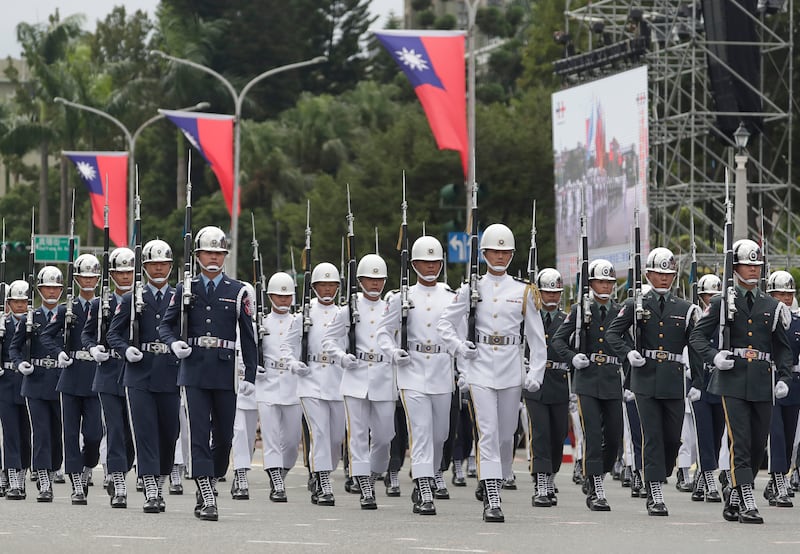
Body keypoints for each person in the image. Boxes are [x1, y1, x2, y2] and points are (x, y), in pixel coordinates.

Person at [438, 224, 547, 523]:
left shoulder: (523, 291)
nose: (500, 256)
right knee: (486, 431)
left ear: (512, 254)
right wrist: (461, 348)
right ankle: (493, 496)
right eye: (494, 251)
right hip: (480, 368)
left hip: (511, 368)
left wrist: (536, 371)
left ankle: (494, 479)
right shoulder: (471, 288)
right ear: (484, 253)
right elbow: (445, 324)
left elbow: (537, 338)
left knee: (506, 433)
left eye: (505, 251)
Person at [690, 239, 793, 524]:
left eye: (756, 265)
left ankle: (733, 496)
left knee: (759, 442)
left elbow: (782, 346)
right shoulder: (722, 301)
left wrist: (784, 376)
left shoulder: (771, 305)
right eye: (747, 265)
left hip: (762, 379)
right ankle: (748, 498)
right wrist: (714, 356)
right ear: (734, 267)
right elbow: (697, 337)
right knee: (742, 439)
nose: (752, 270)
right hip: (732, 378)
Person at [159, 226, 257, 521]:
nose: (213, 257)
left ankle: (210, 481)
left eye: (219, 252)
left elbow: (248, 335)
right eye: (208, 252)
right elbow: (165, 325)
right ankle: (206, 493)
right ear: (198, 255)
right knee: (199, 434)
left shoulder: (238, 290)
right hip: (194, 369)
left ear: (224, 256)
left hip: (225, 370)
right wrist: (174, 343)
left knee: (225, 436)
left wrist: (250, 375)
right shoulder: (184, 288)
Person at [606, 247, 702, 516]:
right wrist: (628, 353)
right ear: (648, 274)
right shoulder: (634, 304)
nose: (664, 278)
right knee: (652, 436)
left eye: (669, 273)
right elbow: (613, 335)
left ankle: (662, 471)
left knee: (673, 438)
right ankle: (655, 491)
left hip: (672, 379)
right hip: (645, 378)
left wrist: (697, 380)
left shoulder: (684, 309)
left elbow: (694, 346)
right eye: (659, 273)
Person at [377, 236, 456, 516]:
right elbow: (383, 332)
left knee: (440, 434)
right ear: (413, 264)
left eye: (435, 261)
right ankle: (424, 488)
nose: (431, 266)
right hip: (412, 370)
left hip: (442, 369)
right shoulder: (402, 297)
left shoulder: (451, 296)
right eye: (425, 261)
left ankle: (430, 472)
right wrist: (393, 352)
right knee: (421, 431)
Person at [107, 239, 181, 513]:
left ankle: (159, 481)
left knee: (169, 433)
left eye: (163, 264)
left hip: (171, 372)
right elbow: (113, 334)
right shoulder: (131, 298)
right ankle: (151, 489)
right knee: (145, 432)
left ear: (171, 266)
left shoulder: (179, 297)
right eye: (153, 264)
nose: (159, 269)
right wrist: (127, 350)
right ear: (145, 267)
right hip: (139, 374)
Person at [551, 258, 625, 512]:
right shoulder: (580, 310)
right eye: (601, 281)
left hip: (612, 379)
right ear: (591, 282)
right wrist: (573, 357)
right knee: (593, 435)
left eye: (609, 282)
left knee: (614, 437)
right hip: (587, 380)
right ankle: (596, 486)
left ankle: (597, 474)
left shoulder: (620, 311)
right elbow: (558, 341)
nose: (605, 286)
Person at [323, 254, 396, 509]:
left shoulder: (392, 305)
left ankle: (374, 473)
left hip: (384, 375)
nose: (375, 284)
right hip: (356, 377)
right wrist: (342, 358)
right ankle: (365, 485)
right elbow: (329, 341)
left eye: (379, 279)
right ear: (360, 280)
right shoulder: (349, 309)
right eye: (369, 279)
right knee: (357, 435)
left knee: (385, 435)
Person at [281, 262, 345, 507]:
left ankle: (320, 472)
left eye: (331, 285)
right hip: (311, 380)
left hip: (338, 380)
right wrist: (292, 363)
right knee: (319, 433)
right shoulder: (303, 315)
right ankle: (324, 481)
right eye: (322, 285)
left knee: (336, 437)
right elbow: (286, 346)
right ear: (314, 286)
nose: (327, 289)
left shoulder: (344, 313)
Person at [41, 254, 103, 505]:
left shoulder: (104, 306)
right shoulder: (68, 308)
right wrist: (59, 352)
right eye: (83, 277)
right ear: (76, 279)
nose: (88, 281)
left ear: (98, 279)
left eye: (92, 277)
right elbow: (47, 335)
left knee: (94, 434)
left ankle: (88, 466)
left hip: (96, 376)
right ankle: (76, 481)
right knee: (70, 434)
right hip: (71, 374)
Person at [82, 248, 137, 508]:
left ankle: (121, 471)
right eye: (120, 272)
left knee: (131, 434)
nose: (125, 277)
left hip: (136, 373)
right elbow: (87, 334)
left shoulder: (142, 301)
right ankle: (118, 481)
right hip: (108, 372)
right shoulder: (100, 304)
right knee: (114, 429)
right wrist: (94, 349)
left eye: (129, 272)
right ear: (112, 274)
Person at [10, 267, 63, 502]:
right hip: (36, 381)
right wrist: (20, 363)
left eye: (55, 287)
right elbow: (14, 347)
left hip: (61, 381)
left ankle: (53, 469)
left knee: (57, 433)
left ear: (61, 290)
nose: (51, 291)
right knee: (40, 433)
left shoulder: (66, 315)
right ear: (40, 290)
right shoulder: (31, 318)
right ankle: (43, 481)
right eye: (47, 288)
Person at [525, 268, 569, 508]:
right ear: (539, 293)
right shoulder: (530, 317)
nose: (552, 296)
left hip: (560, 381)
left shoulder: (567, 319)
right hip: (536, 383)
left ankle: (551, 475)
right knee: (540, 433)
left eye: (556, 292)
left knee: (558, 434)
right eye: (547, 292)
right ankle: (541, 482)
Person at [257, 272, 303, 503]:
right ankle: (276, 482)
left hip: (293, 385)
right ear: (270, 297)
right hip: (268, 384)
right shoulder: (262, 323)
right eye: (279, 296)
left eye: (287, 296)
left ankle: (281, 473)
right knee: (271, 436)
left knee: (293, 441)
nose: (284, 300)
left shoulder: (300, 321)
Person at [763, 270, 800, 508]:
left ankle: (776, 479)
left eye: (789, 294)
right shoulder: (764, 319)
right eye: (780, 294)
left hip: (793, 382)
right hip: (769, 377)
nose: (785, 298)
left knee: (788, 436)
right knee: (775, 434)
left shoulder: (797, 321)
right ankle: (779, 481)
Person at [689, 274, 724, 503]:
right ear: (701, 296)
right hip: (700, 382)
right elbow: (691, 351)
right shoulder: (694, 317)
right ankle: (710, 479)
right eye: (708, 295)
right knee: (704, 433)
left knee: (718, 432)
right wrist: (693, 382)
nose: (711, 299)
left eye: (715, 295)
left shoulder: (726, 317)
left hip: (719, 382)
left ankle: (702, 477)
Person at [0, 280, 32, 499]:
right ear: (8, 303)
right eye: (15, 302)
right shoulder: (3, 325)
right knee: (10, 433)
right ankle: (12, 478)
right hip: (6, 382)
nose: (20, 306)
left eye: (24, 302)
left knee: (26, 434)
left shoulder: (34, 323)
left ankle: (22, 475)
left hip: (29, 381)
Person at [230, 281, 259, 501]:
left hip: (251, 386)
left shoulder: (258, 325)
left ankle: (242, 468)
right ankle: (240, 474)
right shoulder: (228, 323)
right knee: (236, 431)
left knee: (247, 434)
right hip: (230, 384)